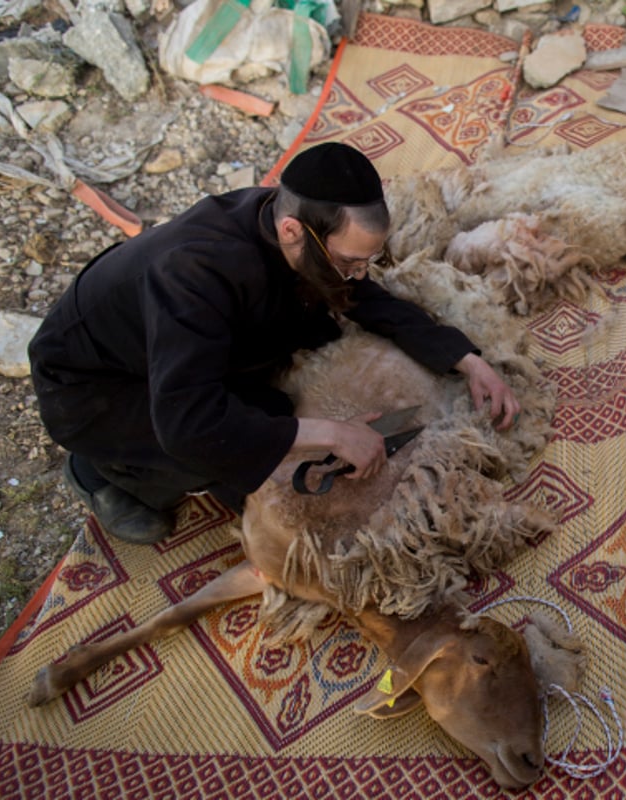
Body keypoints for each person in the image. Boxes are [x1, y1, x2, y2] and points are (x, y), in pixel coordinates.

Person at [28, 143, 520, 545]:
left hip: (165, 345)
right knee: (233, 465)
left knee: (275, 404)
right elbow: (186, 422)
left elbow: (362, 297)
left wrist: (466, 359)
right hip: (91, 390)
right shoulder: (192, 273)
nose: (359, 274)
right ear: (292, 231)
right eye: (350, 259)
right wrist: (331, 434)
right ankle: (104, 473)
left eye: (366, 260)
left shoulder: (291, 220)